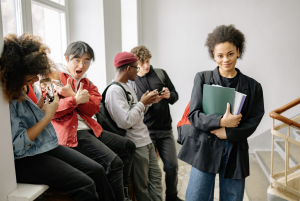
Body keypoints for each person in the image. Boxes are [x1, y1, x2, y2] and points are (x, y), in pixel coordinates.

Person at [0, 33, 115, 201]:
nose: (36, 78)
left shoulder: (29, 86)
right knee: (85, 184)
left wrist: (40, 108)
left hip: (45, 144)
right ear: (16, 72)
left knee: (97, 170)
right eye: (31, 74)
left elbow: (92, 108)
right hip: (25, 157)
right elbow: (18, 146)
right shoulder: (7, 98)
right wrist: (48, 115)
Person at [178, 25, 265, 201]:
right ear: (214, 55)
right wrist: (221, 122)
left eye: (230, 53)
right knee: (197, 197)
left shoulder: (254, 86)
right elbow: (194, 115)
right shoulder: (202, 78)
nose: (225, 59)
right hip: (205, 145)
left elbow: (253, 121)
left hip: (235, 148)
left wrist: (228, 132)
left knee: (232, 198)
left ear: (238, 51)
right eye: (220, 55)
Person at [51, 41, 136, 201]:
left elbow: (93, 108)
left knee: (128, 147)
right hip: (72, 134)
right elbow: (53, 111)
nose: (81, 65)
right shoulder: (55, 79)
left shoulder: (87, 83)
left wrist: (73, 97)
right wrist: (74, 99)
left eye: (86, 61)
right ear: (67, 58)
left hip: (91, 129)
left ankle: (123, 193)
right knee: (114, 162)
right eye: (76, 60)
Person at [105, 52, 163, 201]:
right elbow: (125, 122)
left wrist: (148, 102)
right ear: (128, 69)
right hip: (135, 144)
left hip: (145, 139)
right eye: (136, 68)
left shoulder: (128, 86)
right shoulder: (114, 91)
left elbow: (136, 115)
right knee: (142, 186)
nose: (138, 71)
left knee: (156, 178)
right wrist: (142, 103)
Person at [130, 45, 182, 201]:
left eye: (148, 61)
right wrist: (145, 102)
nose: (146, 65)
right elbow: (132, 108)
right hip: (146, 132)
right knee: (150, 172)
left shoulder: (160, 74)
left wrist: (168, 95)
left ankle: (172, 196)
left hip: (165, 130)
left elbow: (175, 95)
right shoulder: (132, 81)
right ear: (135, 63)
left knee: (172, 166)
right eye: (142, 62)